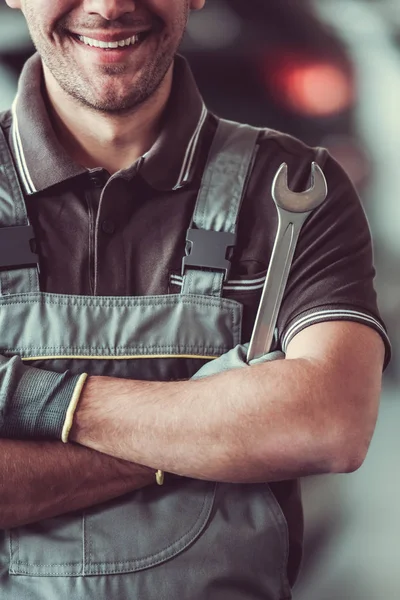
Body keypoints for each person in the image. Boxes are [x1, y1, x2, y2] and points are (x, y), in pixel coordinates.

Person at [0, 1, 390, 599]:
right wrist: (226, 429)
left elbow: (326, 425)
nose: (109, 6)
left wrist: (36, 401)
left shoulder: (297, 188)